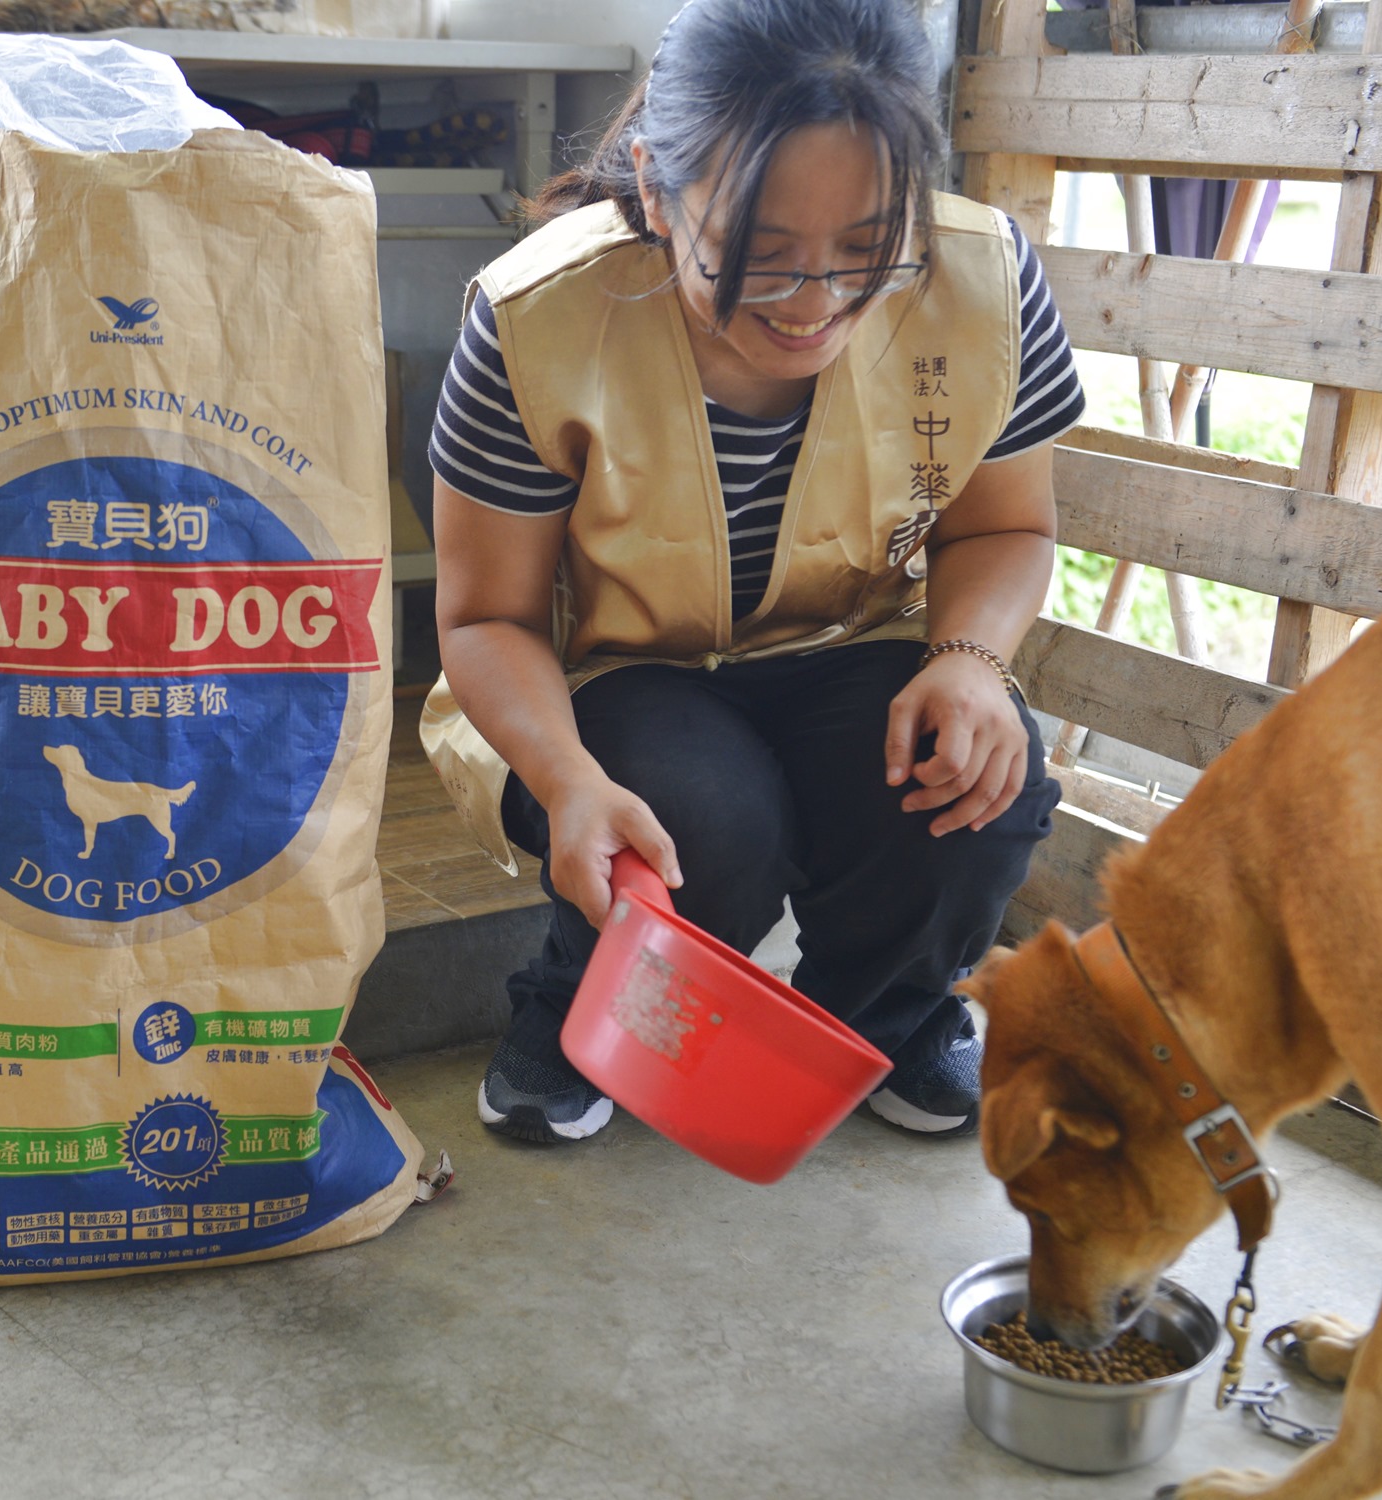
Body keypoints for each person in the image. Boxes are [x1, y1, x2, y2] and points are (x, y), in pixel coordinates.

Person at [420, 0, 1083, 1146]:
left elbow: (1003, 532)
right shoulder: (534, 317)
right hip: (614, 677)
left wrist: (971, 663)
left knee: (979, 785)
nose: (816, 305)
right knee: (697, 816)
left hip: (856, 645)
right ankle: (577, 998)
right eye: (760, 259)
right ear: (654, 186)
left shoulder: (981, 277)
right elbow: (487, 614)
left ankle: (882, 1017)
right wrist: (569, 782)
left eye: (867, 252)